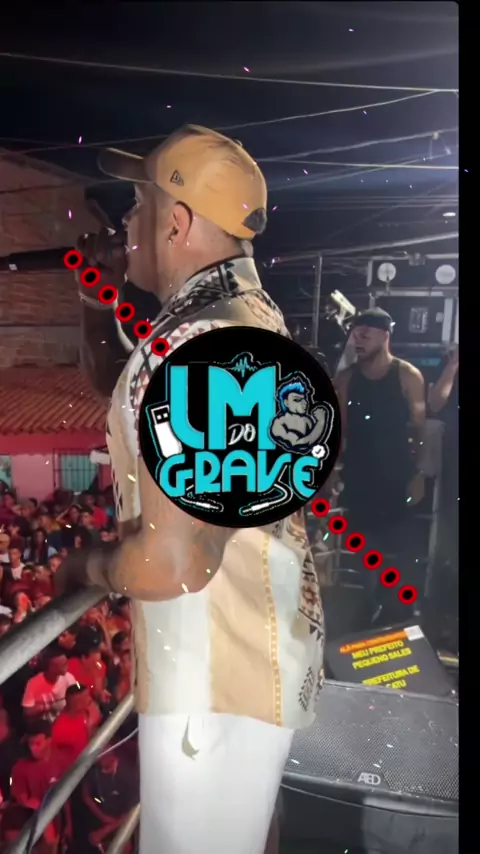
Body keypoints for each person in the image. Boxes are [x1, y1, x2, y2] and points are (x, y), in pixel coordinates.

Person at [57, 124, 324, 854]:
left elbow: (171, 566)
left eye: (136, 207)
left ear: (175, 222)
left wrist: (85, 568)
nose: (125, 226)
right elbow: (132, 400)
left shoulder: (201, 344)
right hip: (252, 658)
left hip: (215, 680)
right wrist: (95, 302)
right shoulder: (240, 320)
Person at [334, 307, 427, 626]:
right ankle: (369, 607)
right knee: (363, 546)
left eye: (365, 334)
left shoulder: (407, 375)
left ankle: (400, 611)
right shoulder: (346, 379)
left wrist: (420, 473)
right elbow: (338, 431)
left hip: (397, 474)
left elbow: (420, 429)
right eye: (355, 334)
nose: (358, 340)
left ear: (385, 336)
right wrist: (330, 473)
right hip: (359, 474)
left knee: (401, 547)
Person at [427, 344, 459, 649]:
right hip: (454, 471)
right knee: (448, 548)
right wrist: (453, 366)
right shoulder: (450, 361)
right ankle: (441, 625)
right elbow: (435, 403)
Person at [10, 721, 70, 854]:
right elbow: (22, 800)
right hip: (34, 825)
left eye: (38, 744)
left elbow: (68, 795)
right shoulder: (20, 768)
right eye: (31, 744)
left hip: (60, 821)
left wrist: (68, 824)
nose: (33, 748)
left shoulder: (62, 761)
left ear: (49, 740)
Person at [22, 645, 76, 723]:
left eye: (66, 662)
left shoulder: (69, 677)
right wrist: (48, 707)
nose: (66, 665)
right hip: (44, 725)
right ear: (51, 668)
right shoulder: (33, 683)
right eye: (62, 664)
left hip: (66, 721)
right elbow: (27, 711)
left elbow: (76, 700)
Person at [52, 684, 101, 767]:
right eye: (86, 697)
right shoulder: (59, 729)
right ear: (77, 704)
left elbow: (96, 730)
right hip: (77, 769)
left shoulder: (89, 710)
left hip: (94, 759)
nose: (89, 699)